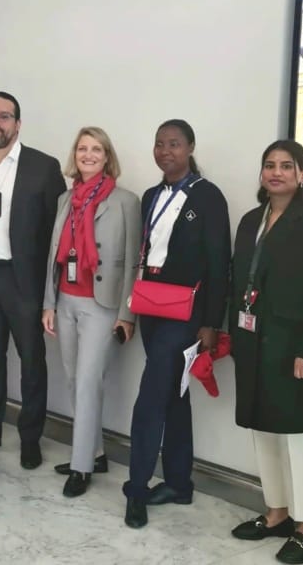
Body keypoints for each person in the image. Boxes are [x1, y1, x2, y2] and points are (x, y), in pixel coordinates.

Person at [228, 140, 303, 564]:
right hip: (253, 339)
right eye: (270, 165)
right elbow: (239, 280)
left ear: (302, 174)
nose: (276, 172)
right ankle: (276, 512)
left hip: (296, 346)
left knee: (298, 437)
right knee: (264, 428)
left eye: (286, 166)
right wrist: (233, 335)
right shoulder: (251, 220)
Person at [123, 119, 231, 529]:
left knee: (150, 397)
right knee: (174, 394)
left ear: (190, 148)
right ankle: (179, 483)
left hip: (187, 313)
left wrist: (211, 323)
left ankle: (136, 488)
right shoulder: (151, 196)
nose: (165, 151)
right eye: (159, 144)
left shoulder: (208, 196)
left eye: (174, 144)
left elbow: (219, 264)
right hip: (151, 306)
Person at [0, 91, 66, 470]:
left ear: (18, 124)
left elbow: (58, 231)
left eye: (4, 116)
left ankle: (30, 437)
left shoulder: (43, 167)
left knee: (32, 361)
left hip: (25, 280)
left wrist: (53, 290)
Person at [42, 126, 140, 497]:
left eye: (96, 149)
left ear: (107, 156)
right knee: (72, 380)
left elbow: (133, 262)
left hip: (102, 305)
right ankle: (95, 454)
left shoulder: (125, 201)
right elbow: (53, 254)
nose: (88, 155)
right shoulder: (65, 200)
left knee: (87, 382)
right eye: (82, 148)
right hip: (65, 300)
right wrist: (49, 303)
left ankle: (80, 466)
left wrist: (127, 315)